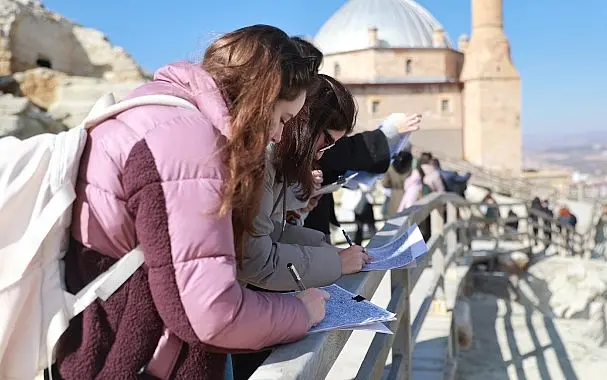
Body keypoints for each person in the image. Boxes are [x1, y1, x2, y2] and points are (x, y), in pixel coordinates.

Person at [54, 25, 329, 379]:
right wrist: (300, 312)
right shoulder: (188, 143)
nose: (277, 134)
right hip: (138, 362)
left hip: (101, 347)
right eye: (281, 119)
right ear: (262, 97)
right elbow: (210, 314)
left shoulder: (157, 110)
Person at [239, 74, 369, 292]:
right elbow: (255, 261)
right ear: (304, 120)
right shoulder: (260, 157)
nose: (319, 156)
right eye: (325, 141)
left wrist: (325, 251)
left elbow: (266, 233)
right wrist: (336, 263)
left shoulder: (272, 158)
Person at [381, 150, 413, 219]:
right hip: (409, 199)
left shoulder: (390, 168)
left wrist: (394, 186)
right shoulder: (409, 169)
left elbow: (384, 184)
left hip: (395, 202)